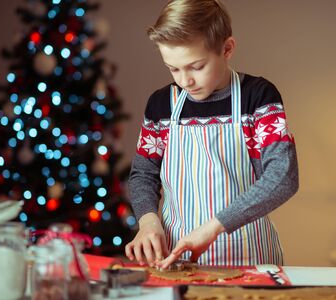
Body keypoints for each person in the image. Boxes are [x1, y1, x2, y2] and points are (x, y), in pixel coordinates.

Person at [126, 0, 298, 269]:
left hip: (250, 258)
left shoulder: (258, 97)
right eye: (173, 68)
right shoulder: (161, 105)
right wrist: (148, 222)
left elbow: (283, 176)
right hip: (178, 260)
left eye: (196, 66)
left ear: (227, 48)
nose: (185, 80)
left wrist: (213, 228)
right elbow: (143, 174)